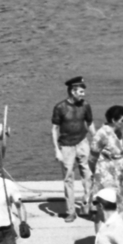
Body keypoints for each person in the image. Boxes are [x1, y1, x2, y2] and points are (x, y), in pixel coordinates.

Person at [51, 76, 94, 221]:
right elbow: (54, 129)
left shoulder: (86, 105)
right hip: (66, 146)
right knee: (68, 178)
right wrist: (57, 150)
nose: (83, 94)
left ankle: (87, 204)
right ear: (73, 91)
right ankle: (71, 211)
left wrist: (96, 140)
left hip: (83, 143)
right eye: (81, 91)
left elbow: (90, 123)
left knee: (88, 176)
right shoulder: (60, 107)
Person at [89, 106, 123, 204]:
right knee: (108, 202)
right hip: (106, 175)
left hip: (119, 175)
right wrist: (97, 173)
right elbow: (92, 158)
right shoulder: (102, 134)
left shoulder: (118, 132)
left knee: (121, 202)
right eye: (122, 120)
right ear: (113, 120)